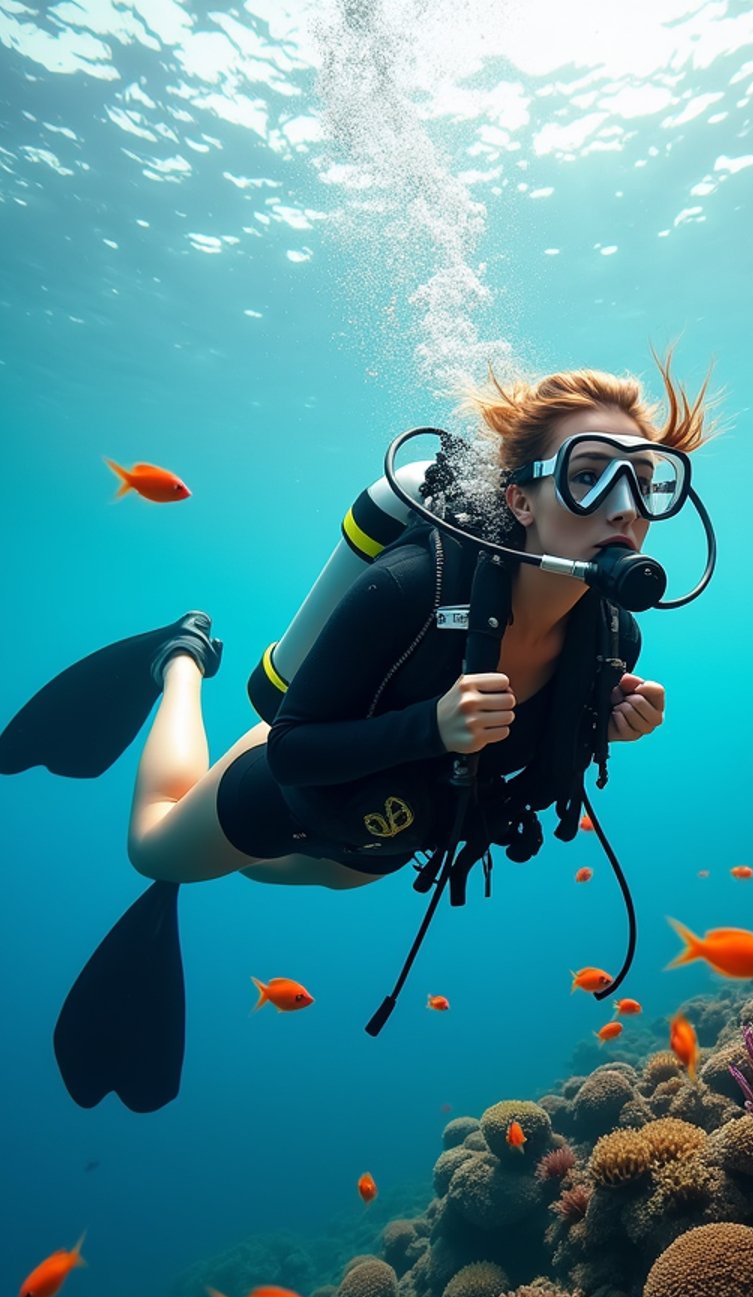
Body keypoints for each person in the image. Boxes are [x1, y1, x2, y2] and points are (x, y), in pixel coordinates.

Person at [0, 354, 712, 1110]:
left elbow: (530, 782)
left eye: (647, 479)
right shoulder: (407, 588)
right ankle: (179, 657)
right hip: (289, 792)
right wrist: (431, 726)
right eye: (590, 472)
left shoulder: (612, 643)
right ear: (521, 500)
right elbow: (293, 748)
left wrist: (604, 731)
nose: (623, 504)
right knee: (154, 851)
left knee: (262, 870)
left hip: (376, 843)